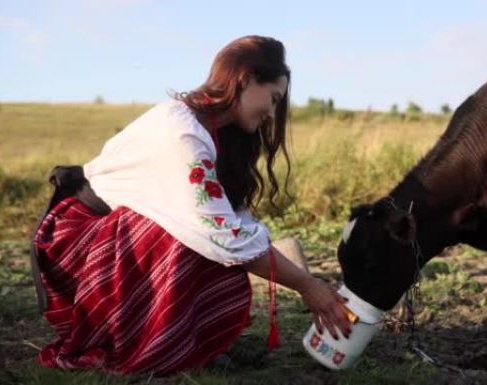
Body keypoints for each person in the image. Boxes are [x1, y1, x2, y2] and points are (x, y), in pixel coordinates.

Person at [32, 35, 351, 376]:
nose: (272, 113)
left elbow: (236, 225)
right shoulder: (182, 132)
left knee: (211, 242)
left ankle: (179, 346)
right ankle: (126, 344)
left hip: (117, 242)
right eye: (273, 99)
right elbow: (224, 236)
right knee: (192, 238)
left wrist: (302, 278)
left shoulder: (218, 133)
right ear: (245, 79)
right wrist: (308, 286)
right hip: (78, 248)